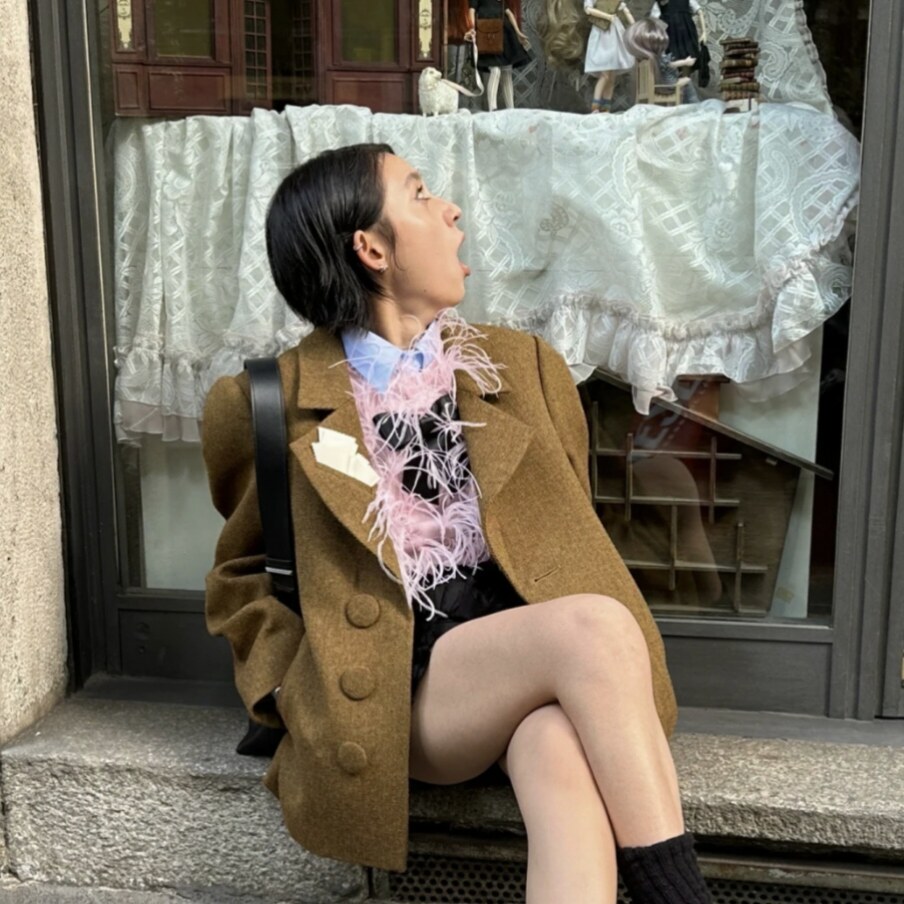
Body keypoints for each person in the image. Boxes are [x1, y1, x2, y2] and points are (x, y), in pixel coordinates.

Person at [202, 142, 712, 903]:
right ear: (372, 249)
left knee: (560, 749)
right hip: (401, 690)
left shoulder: (524, 368)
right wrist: (288, 689)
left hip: (530, 660)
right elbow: (241, 576)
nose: (451, 209)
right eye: (418, 194)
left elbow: (565, 526)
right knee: (597, 627)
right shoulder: (264, 403)